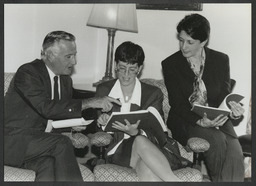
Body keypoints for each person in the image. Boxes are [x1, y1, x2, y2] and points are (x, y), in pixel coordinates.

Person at [4, 31, 121, 181]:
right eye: (68, 56)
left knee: (48, 165)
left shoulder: (65, 81)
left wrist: (72, 125)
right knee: (62, 143)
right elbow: (46, 108)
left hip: (37, 146)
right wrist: (91, 102)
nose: (74, 62)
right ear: (50, 56)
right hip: (11, 143)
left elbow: (58, 114)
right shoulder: (28, 72)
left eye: (74, 55)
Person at [162, 14, 245, 182]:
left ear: (204, 41)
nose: (183, 46)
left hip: (218, 119)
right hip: (186, 120)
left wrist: (234, 111)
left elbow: (224, 96)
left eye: (190, 42)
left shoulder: (221, 60)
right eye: (181, 40)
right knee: (217, 140)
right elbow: (176, 103)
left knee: (235, 153)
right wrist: (200, 122)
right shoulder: (170, 64)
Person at [96, 41, 181, 181]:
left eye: (132, 69)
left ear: (140, 68)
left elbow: (159, 132)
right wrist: (101, 122)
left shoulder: (153, 93)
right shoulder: (104, 90)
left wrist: (135, 132)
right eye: (122, 68)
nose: (126, 74)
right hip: (118, 151)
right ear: (115, 65)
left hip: (151, 150)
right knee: (140, 141)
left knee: (147, 168)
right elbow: (96, 132)